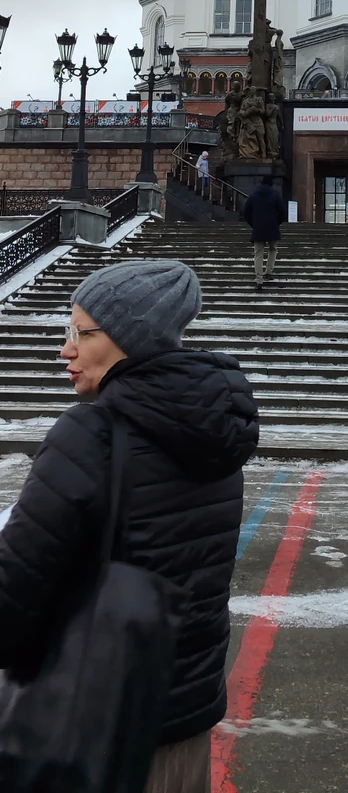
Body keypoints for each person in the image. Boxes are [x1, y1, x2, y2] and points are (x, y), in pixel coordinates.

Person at [0, 259, 259, 792]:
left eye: (80, 332)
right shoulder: (215, 430)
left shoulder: (90, 433)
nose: (65, 350)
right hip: (184, 713)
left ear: (127, 338)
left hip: (91, 727)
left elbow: (13, 595)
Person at [244, 173, 286, 290]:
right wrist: (276, 223)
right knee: (273, 249)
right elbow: (282, 212)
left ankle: (259, 279)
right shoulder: (276, 195)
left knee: (258, 253)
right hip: (272, 228)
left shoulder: (253, 195)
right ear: (271, 184)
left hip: (258, 229)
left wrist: (254, 224)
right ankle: (268, 272)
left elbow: (246, 213)